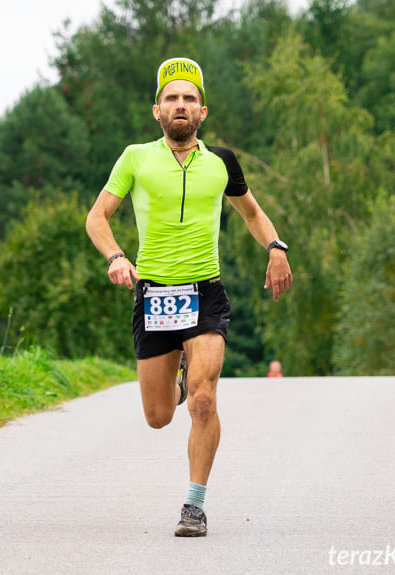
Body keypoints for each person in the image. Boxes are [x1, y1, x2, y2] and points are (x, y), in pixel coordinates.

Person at [85, 57, 292, 537]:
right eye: (172, 99)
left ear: (204, 112)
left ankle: (193, 506)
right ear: (157, 110)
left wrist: (276, 247)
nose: (181, 105)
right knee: (159, 417)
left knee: (204, 399)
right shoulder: (136, 157)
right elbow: (98, 218)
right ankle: (176, 381)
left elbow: (253, 213)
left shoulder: (221, 162)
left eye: (190, 99)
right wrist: (116, 257)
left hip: (206, 294)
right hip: (153, 295)